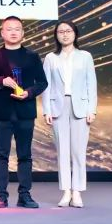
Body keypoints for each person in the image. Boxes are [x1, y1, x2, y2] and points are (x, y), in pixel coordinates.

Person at [0, 16, 48, 209]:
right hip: (2, 112)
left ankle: (25, 194)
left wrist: (28, 93)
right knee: (1, 155)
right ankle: (1, 196)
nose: (13, 32)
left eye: (17, 29)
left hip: (25, 112)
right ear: (2, 33)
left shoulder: (32, 56)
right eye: (9, 29)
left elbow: (42, 83)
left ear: (23, 33)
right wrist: (0, 81)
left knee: (25, 155)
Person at [42, 20, 98, 208]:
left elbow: (91, 84)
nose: (65, 34)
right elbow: (46, 86)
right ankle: (66, 191)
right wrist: (46, 110)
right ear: (56, 35)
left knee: (78, 151)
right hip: (58, 106)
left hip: (80, 107)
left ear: (75, 34)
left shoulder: (85, 56)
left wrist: (92, 109)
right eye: (61, 32)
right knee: (62, 151)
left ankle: (77, 191)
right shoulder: (51, 58)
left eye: (68, 31)